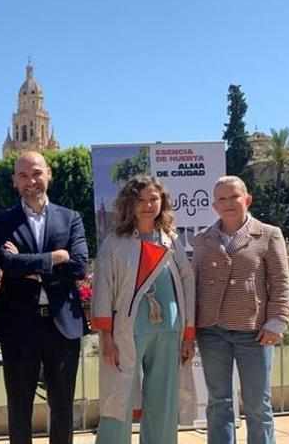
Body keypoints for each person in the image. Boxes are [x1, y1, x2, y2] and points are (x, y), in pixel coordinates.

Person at [0, 151, 89, 444]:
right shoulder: (1, 221)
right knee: (19, 408)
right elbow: (8, 264)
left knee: (62, 407)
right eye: (23, 175)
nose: (30, 180)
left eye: (36, 173)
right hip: (18, 326)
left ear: (49, 173)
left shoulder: (71, 218)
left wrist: (30, 267)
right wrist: (55, 258)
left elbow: (80, 266)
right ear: (14, 181)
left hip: (63, 327)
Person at [90, 175, 196, 444]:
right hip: (127, 331)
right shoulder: (114, 242)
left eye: (153, 199)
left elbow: (187, 282)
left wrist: (188, 335)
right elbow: (103, 289)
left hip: (169, 328)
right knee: (119, 398)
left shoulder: (171, 240)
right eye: (140, 200)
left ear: (162, 202)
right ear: (129, 204)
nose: (147, 205)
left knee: (163, 399)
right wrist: (106, 338)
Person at [193, 175, 289, 444]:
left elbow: (281, 280)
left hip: (255, 332)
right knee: (218, 403)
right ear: (214, 206)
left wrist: (277, 321)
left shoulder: (269, 235)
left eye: (234, 196)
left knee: (258, 404)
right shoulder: (202, 239)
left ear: (247, 199)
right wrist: (190, 327)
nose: (228, 203)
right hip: (212, 332)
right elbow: (195, 283)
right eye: (221, 198)